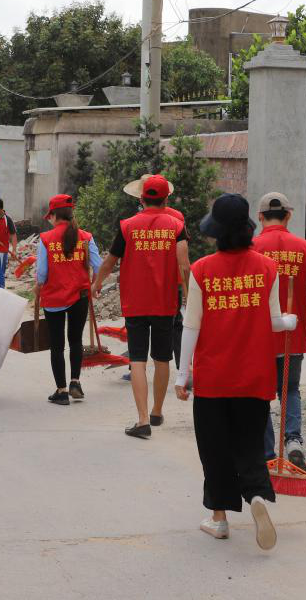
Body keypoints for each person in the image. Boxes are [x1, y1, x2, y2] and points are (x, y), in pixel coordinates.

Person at [174, 193, 296, 549]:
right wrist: (289, 321)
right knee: (250, 444)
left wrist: (183, 375)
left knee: (215, 450)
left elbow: (191, 326)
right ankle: (256, 495)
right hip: (254, 377)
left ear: (217, 232)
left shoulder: (202, 270)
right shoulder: (267, 268)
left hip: (213, 379)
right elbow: (274, 321)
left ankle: (219, 519)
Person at [91, 174, 190, 439]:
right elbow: (184, 264)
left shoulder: (127, 226)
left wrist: (97, 283)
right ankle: (157, 412)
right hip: (165, 302)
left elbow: (110, 261)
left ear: (142, 198)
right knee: (162, 358)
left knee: (137, 359)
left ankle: (143, 419)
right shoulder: (177, 226)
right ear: (166, 199)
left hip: (135, 302)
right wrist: (188, 295)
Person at [252, 192, 306, 470]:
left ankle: (267, 452)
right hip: (293, 336)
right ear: (289, 215)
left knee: (261, 394)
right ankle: (293, 442)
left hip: (259, 335)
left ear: (260, 217)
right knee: (289, 389)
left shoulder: (252, 248)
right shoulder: (304, 248)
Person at [36, 195, 101, 405]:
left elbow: (42, 274)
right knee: (75, 340)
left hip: (54, 297)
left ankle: (62, 391)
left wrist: (38, 285)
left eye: (50, 216)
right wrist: (94, 285)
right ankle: (75, 382)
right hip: (80, 296)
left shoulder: (45, 239)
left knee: (57, 345)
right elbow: (99, 265)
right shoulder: (86, 237)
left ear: (54, 215)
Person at [123, 173, 189, 372]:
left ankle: (136, 365)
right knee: (175, 323)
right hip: (171, 280)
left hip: (143, 283)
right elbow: (183, 255)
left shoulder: (134, 222)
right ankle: (182, 367)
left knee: (139, 324)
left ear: (142, 197)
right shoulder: (177, 217)